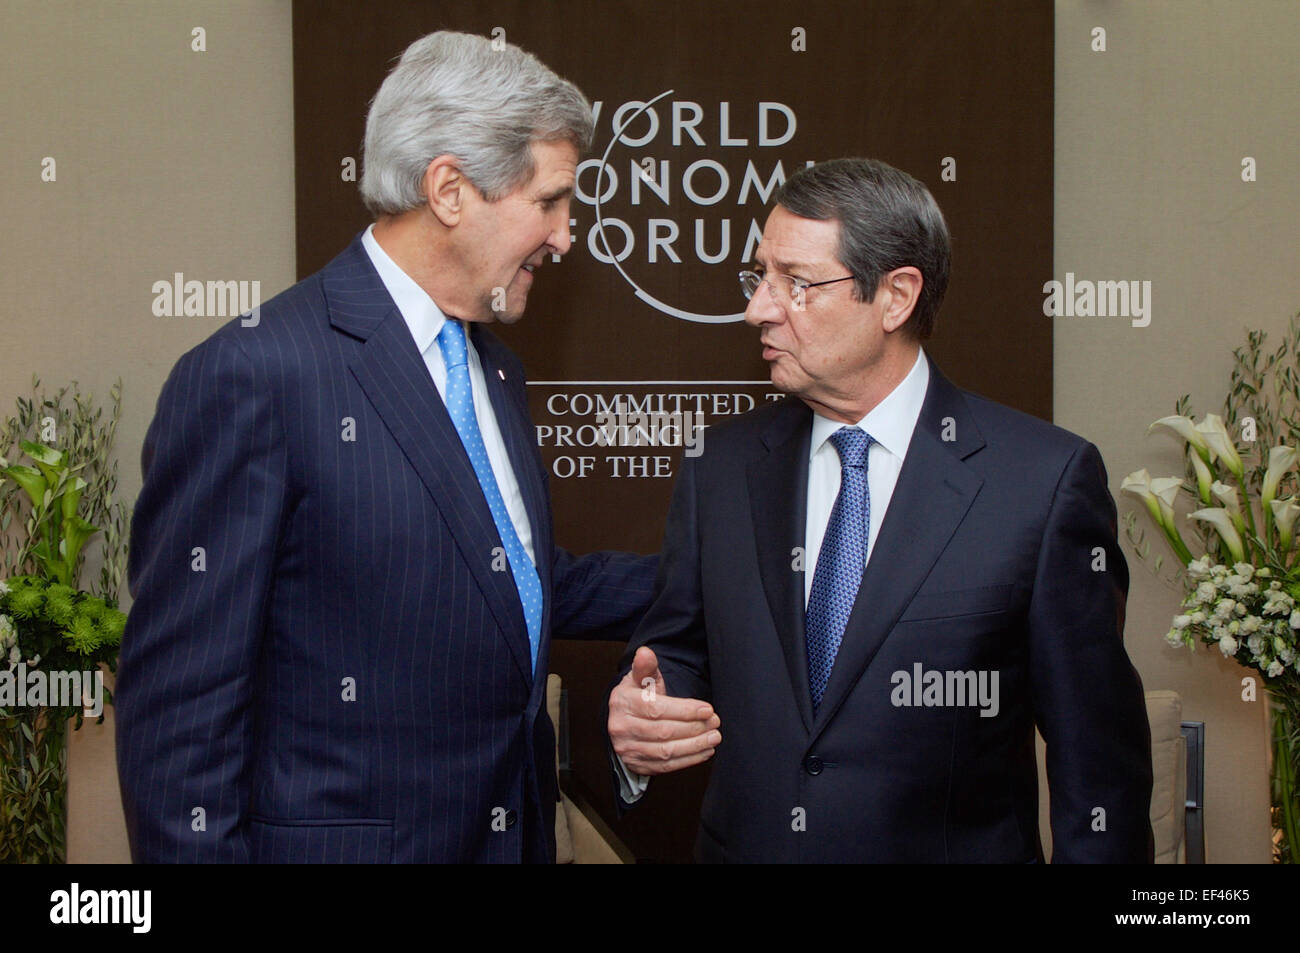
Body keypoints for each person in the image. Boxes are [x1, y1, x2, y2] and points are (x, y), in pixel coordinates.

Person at [116, 30, 656, 864]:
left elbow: (514, 578)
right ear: (449, 189)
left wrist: (728, 574)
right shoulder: (255, 374)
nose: (566, 235)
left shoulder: (495, 371)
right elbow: (180, 724)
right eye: (550, 201)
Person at [607, 158, 1154, 863]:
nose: (758, 308)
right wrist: (645, 709)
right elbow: (678, 649)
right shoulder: (724, 468)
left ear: (895, 297)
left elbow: (1097, 764)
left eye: (796, 283)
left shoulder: (1041, 483)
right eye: (759, 276)